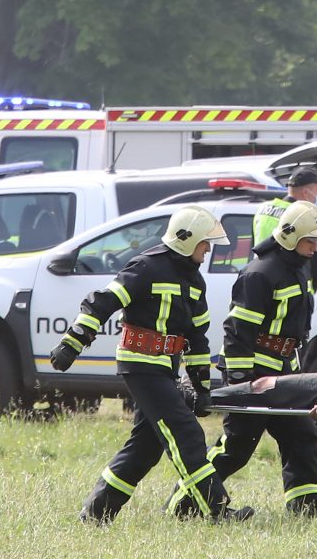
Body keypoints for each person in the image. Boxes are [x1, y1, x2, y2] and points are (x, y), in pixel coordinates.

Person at [54, 205, 248, 524]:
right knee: (186, 433)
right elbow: (103, 302)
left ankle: (96, 514)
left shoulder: (195, 282)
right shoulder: (145, 267)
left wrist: (201, 388)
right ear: (186, 240)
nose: (208, 249)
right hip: (139, 365)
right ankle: (217, 510)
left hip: (165, 370)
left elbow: (196, 339)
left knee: (145, 448)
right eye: (204, 242)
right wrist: (73, 341)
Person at [206, 201, 317, 515]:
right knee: (237, 447)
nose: (315, 248)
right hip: (255, 371)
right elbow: (237, 332)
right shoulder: (260, 273)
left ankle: (307, 509)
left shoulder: (297, 268)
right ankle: (188, 501)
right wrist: (240, 381)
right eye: (310, 241)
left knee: (302, 437)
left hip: (284, 370)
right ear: (290, 236)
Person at [255, 166, 317, 294]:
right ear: (306, 193)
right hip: (291, 288)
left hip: (261, 280)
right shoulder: (306, 217)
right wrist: (308, 294)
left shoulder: (263, 209)